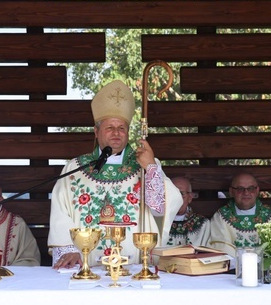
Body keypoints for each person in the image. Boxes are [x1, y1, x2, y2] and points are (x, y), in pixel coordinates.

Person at [48, 80, 182, 269]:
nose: (116, 134)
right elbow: (60, 213)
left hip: (135, 267)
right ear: (96, 132)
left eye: (122, 128)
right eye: (110, 128)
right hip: (86, 266)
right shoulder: (75, 168)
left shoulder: (145, 164)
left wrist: (151, 167)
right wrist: (68, 249)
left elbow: (163, 208)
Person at [208, 172, 271, 258]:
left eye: (251, 188)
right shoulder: (220, 217)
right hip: (233, 269)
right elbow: (220, 246)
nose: (246, 192)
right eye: (240, 189)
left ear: (257, 190)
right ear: (231, 191)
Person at [164, 177, 210, 247]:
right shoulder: (156, 222)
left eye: (181, 193)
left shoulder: (203, 224)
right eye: (172, 193)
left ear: (190, 198)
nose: (177, 198)